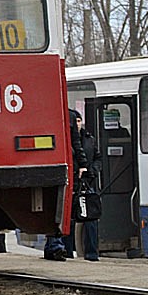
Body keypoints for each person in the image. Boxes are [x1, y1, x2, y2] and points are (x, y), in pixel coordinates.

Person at [45, 108, 87, 260]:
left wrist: (82, 164)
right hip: (52, 162)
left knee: (60, 205)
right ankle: (54, 245)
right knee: (53, 204)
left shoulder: (69, 115)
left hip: (64, 164)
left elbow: (75, 142)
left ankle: (55, 245)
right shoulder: (64, 114)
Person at [74, 111, 103, 261]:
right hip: (72, 184)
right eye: (75, 120)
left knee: (91, 218)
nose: (77, 123)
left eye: (79, 120)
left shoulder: (89, 139)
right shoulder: (66, 139)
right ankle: (67, 252)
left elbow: (98, 158)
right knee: (72, 219)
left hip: (87, 184)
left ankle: (92, 253)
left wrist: (92, 171)